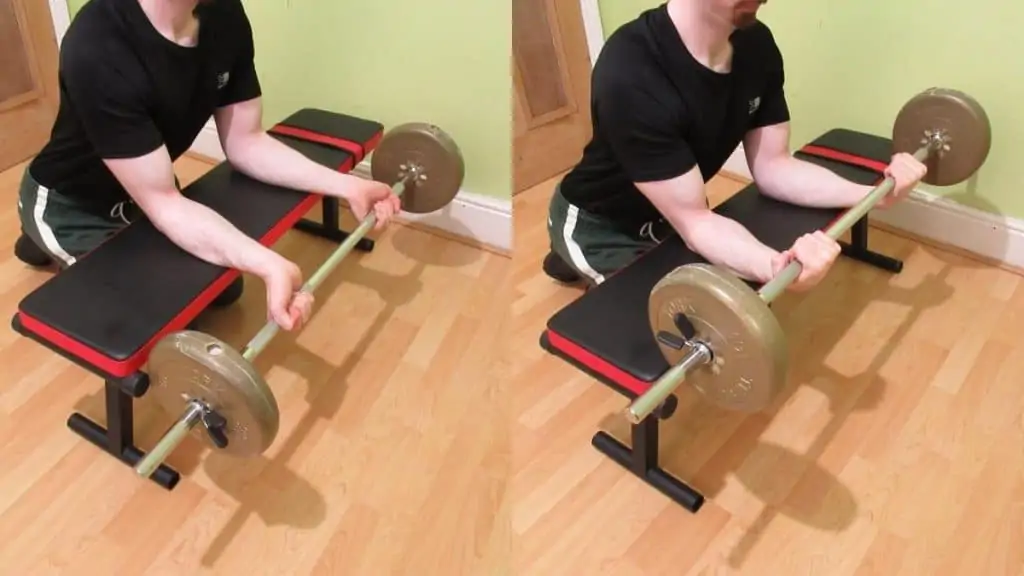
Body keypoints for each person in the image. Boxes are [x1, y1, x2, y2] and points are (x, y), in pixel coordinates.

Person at [15, 0, 401, 331]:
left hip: (145, 189)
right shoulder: (97, 46)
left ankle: (75, 249)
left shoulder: (223, 13)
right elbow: (164, 202)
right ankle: (44, 238)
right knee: (169, 315)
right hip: (71, 206)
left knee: (220, 290)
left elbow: (247, 142)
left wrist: (347, 185)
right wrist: (268, 264)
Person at [543, 0, 928, 291]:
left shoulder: (756, 45)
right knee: (685, 315)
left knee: (721, 274)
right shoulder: (631, 72)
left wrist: (873, 195)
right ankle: (571, 254)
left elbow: (774, 166)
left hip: (673, 211)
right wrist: (776, 268)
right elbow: (695, 222)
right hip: (601, 224)